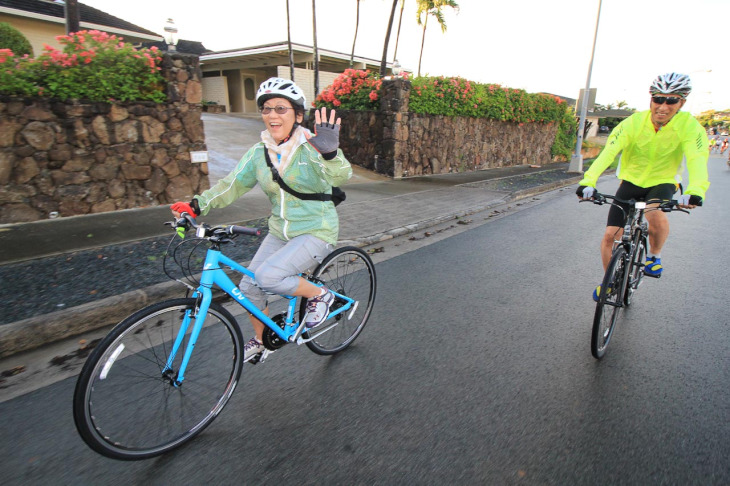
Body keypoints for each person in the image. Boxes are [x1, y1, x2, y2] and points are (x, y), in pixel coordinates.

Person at [171, 77, 352, 361]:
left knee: (268, 277)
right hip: (280, 231)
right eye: (267, 109)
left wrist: (330, 154)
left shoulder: (312, 147)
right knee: (248, 287)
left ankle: (320, 295)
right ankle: (262, 340)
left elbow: (341, 176)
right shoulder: (259, 153)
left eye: (281, 108)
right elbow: (233, 185)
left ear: (298, 115)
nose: (272, 115)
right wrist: (196, 205)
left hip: (316, 230)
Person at [576, 72, 710, 301]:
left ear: (682, 102)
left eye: (671, 100)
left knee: (653, 212)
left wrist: (696, 190)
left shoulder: (689, 126)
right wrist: (588, 181)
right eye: (658, 99)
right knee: (610, 236)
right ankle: (610, 282)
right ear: (651, 99)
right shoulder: (634, 123)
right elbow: (609, 152)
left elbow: (697, 157)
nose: (663, 106)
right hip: (630, 180)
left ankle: (654, 256)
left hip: (664, 181)